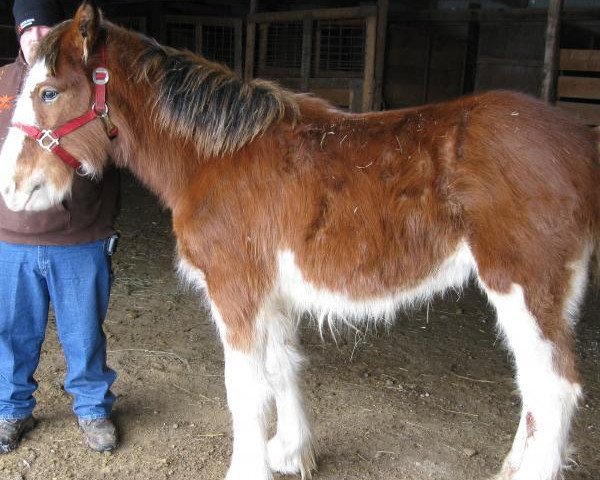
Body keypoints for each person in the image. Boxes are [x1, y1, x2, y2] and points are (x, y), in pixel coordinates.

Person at [0, 0, 120, 453]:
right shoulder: (3, 83)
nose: (36, 36)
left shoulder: (84, 80)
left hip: (79, 235)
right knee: (11, 331)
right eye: (28, 28)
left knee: (84, 331)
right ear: (17, 33)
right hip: (10, 237)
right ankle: (11, 409)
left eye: (46, 26)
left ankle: (92, 408)